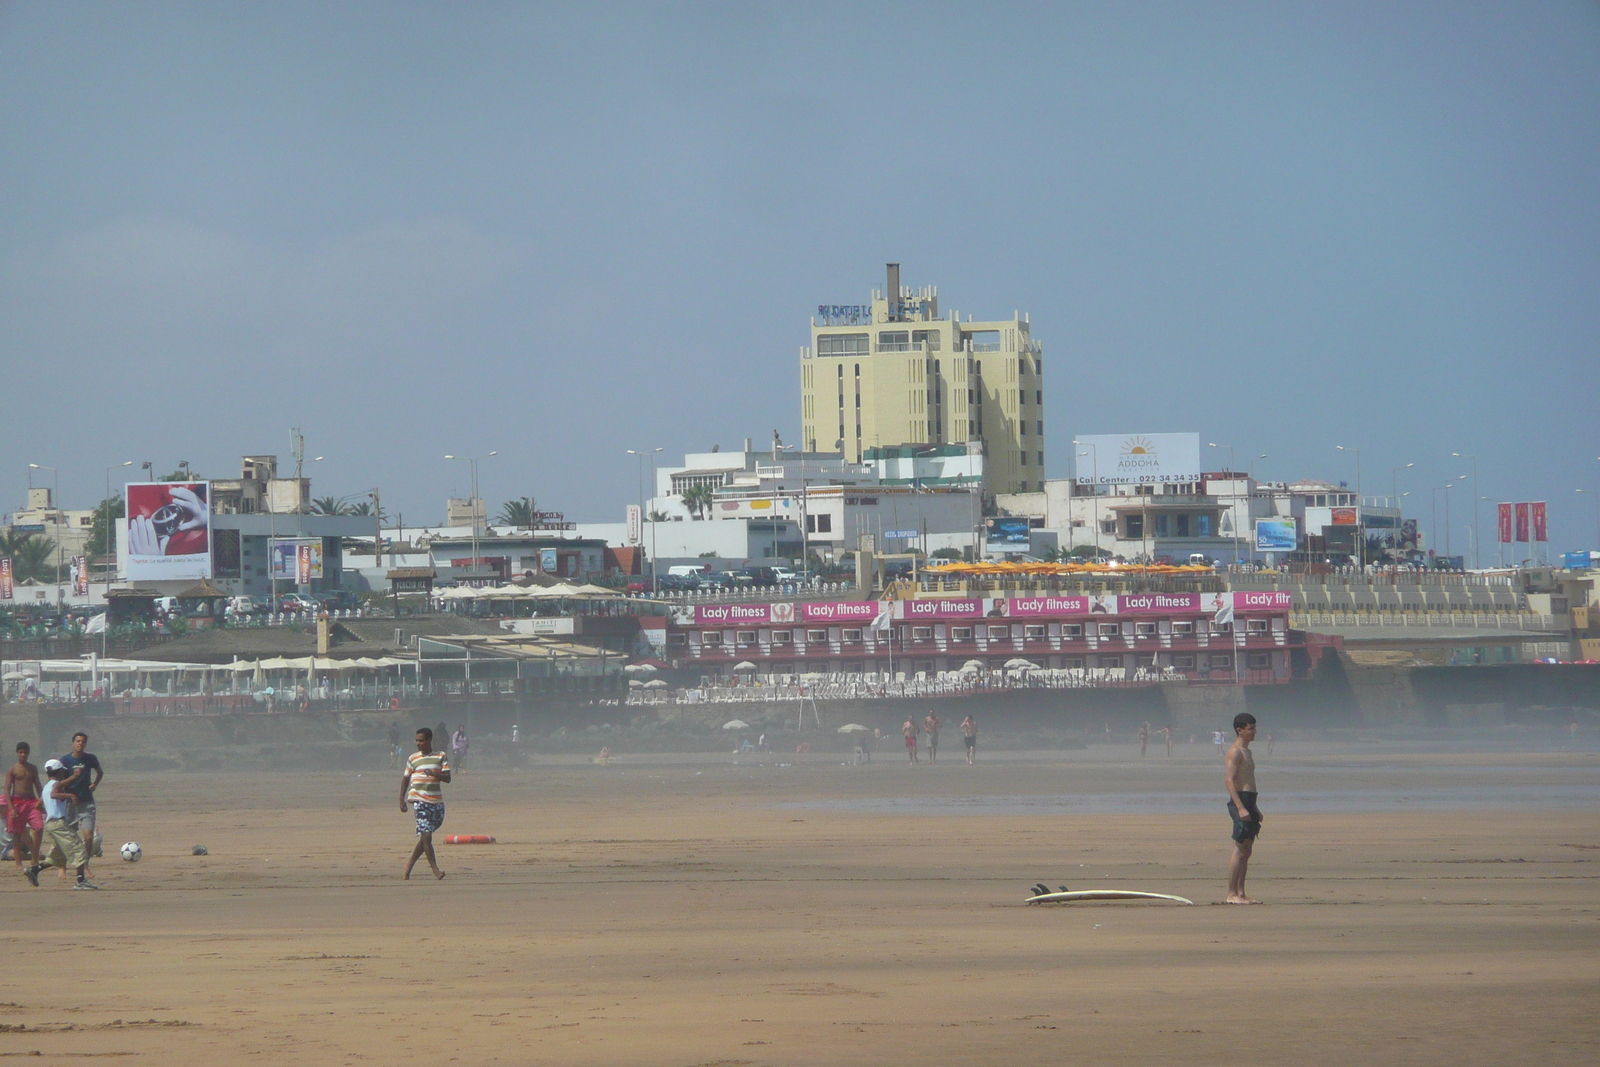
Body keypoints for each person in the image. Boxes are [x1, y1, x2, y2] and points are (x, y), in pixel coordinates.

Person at [22, 759, 96, 889]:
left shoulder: (46, 787)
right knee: (77, 848)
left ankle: (34, 870)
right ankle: (81, 881)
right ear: (59, 771)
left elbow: (38, 805)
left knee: (58, 854)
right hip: (58, 823)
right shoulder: (55, 785)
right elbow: (54, 793)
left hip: (50, 824)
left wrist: (49, 811)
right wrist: (70, 795)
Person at [400, 727, 450, 881]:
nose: (418, 743)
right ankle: (436, 870)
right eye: (417, 740)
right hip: (419, 801)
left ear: (429, 740)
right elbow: (406, 779)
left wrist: (434, 773)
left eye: (421, 740)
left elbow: (447, 778)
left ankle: (408, 865)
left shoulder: (440, 756)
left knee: (424, 837)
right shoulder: (413, 758)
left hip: (436, 802)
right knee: (426, 836)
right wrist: (401, 799)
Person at [1224, 712, 1263, 904]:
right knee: (1239, 848)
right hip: (1240, 801)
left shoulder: (1248, 752)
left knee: (1247, 849)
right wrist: (1240, 807)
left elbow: (1250, 781)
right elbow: (1229, 781)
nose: (1255, 732)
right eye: (1251, 729)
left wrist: (1254, 807)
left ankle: (1241, 892)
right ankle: (1231, 894)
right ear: (1240, 730)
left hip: (1249, 800)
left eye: (1255, 728)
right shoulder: (1235, 751)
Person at [60, 731, 103, 878]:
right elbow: (59, 783)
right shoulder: (65, 760)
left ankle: (86, 866)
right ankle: (63, 867)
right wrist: (72, 779)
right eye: (78, 741)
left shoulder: (90, 758)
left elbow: (100, 772)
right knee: (68, 837)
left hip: (87, 802)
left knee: (89, 836)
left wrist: (95, 784)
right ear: (73, 743)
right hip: (70, 803)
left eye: (83, 741)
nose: (80, 743)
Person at [5, 743, 44, 869]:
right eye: (21, 752)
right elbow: (7, 789)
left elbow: (38, 785)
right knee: (17, 833)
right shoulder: (13, 769)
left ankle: (35, 858)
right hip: (17, 802)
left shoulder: (33, 768)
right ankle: (18, 862)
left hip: (32, 802)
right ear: (17, 753)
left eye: (25, 752)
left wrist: (41, 800)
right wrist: (11, 808)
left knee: (38, 828)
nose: (23, 755)